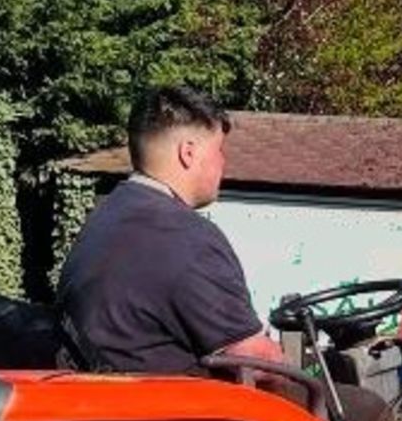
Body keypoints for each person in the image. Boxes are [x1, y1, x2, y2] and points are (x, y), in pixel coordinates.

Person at [58, 87, 286, 375]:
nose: (223, 163)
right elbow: (256, 364)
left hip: (105, 405)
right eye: (219, 151)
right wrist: (279, 355)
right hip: (176, 413)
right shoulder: (187, 238)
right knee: (350, 406)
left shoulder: (104, 219)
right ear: (188, 153)